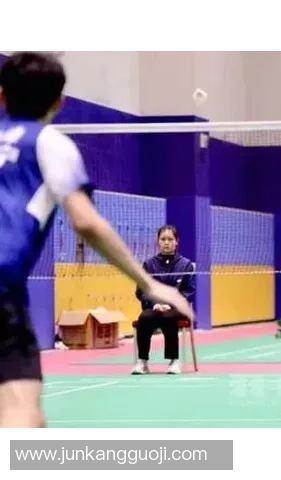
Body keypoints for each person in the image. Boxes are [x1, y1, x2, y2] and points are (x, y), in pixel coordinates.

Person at [0, 52, 194, 428]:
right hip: (2, 287)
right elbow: (86, 222)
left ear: (2, 95)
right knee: (22, 414)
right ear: (59, 103)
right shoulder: (49, 144)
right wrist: (149, 283)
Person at [132, 225, 195, 375]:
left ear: (177, 241)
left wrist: (171, 304)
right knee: (144, 317)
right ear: (158, 241)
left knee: (168, 317)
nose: (166, 242)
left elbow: (189, 291)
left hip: (177, 309)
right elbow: (141, 291)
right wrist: (154, 304)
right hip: (154, 308)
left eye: (170, 239)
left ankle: (174, 361)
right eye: (163, 239)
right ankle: (142, 362)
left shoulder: (186, 265)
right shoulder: (149, 265)